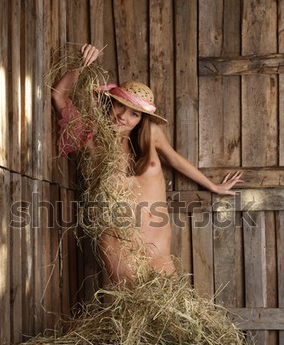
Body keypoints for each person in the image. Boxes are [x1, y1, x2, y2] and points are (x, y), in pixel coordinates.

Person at [52, 44, 244, 284]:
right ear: (110, 103)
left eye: (135, 113)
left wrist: (213, 186)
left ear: (141, 119)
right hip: (120, 247)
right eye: (120, 105)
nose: (124, 116)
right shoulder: (89, 140)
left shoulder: (150, 135)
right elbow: (59, 95)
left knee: (171, 311)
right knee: (130, 311)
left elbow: (174, 158)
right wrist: (82, 64)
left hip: (159, 250)